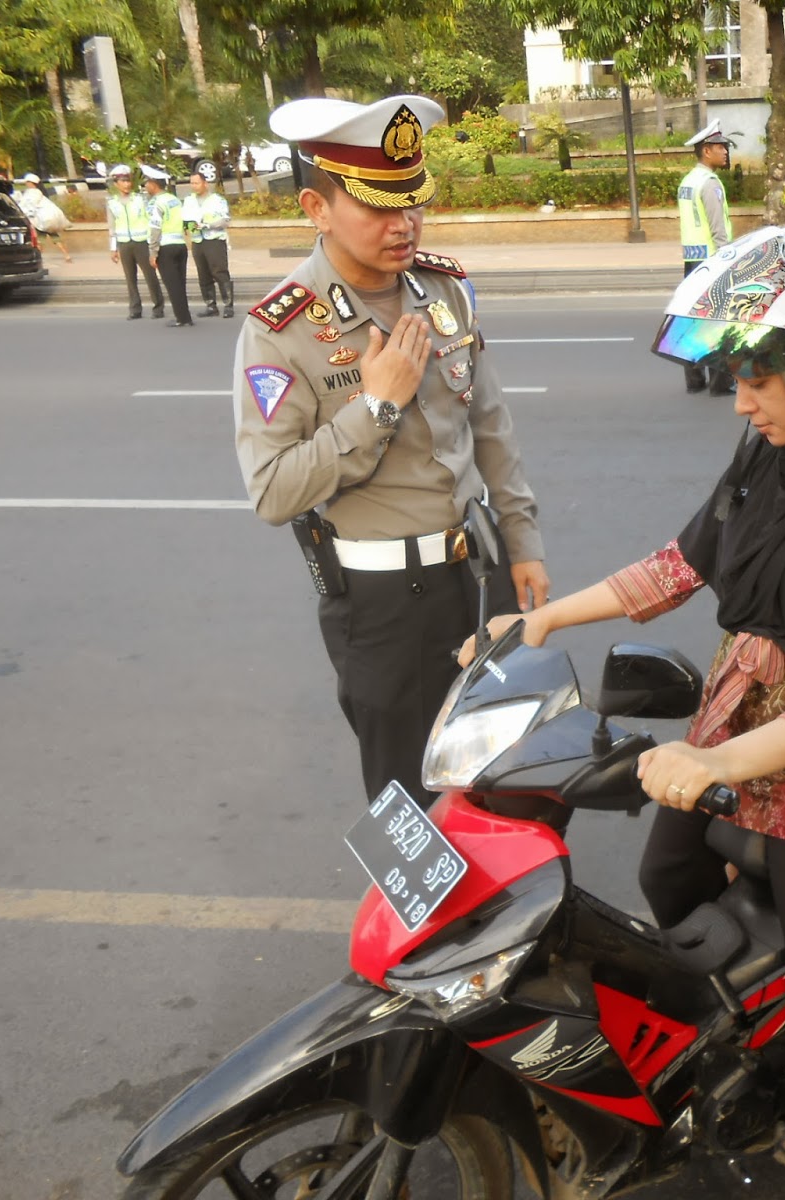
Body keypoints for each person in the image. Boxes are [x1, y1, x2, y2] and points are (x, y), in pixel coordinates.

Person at [461, 223, 785, 1200]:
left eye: (756, 378)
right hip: (749, 706)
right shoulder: (769, 449)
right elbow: (683, 562)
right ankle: (747, 1055)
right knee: (668, 874)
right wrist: (543, 620)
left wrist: (714, 770)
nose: (739, 399)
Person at [233, 93, 548, 810]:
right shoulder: (281, 330)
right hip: (384, 608)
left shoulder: (443, 288)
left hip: (482, 573)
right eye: (377, 206)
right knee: (412, 804)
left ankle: (517, 923)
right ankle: (430, 929)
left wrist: (523, 540)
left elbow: (490, 423)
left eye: (413, 200)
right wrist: (375, 408)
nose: (403, 223)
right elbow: (272, 491)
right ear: (316, 208)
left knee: (512, 780)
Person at [676, 120, 736, 395]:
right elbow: (718, 229)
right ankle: (720, 383)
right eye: (720, 147)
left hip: (692, 260)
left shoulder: (688, 181)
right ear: (707, 150)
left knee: (694, 319)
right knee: (719, 321)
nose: (725, 151)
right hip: (713, 261)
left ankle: (694, 380)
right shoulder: (710, 184)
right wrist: (729, 262)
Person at [105, 165, 164, 320]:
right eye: (123, 181)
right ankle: (135, 308)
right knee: (130, 278)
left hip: (142, 242)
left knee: (150, 276)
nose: (126, 184)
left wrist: (153, 245)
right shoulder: (112, 202)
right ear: (116, 183)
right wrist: (113, 248)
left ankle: (158, 307)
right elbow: (112, 227)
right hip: (124, 243)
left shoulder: (140, 199)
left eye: (128, 181)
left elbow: (151, 220)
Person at [141, 164, 193, 327]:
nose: (145, 186)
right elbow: (185, 221)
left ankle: (182, 319)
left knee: (172, 285)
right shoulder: (174, 199)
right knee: (180, 283)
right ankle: (186, 317)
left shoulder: (155, 203)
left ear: (153, 184)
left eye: (146, 183)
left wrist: (153, 252)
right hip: (180, 245)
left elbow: (155, 228)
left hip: (165, 247)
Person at [183, 170, 235, 317]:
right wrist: (187, 226)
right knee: (203, 274)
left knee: (219, 271)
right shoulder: (188, 200)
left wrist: (207, 225)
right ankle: (210, 305)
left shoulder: (217, 200)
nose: (194, 186)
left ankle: (228, 304)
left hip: (214, 239)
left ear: (205, 183)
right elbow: (185, 218)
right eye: (192, 183)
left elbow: (225, 220)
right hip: (197, 240)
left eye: (197, 183)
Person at [16, 174, 72, 263]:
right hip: (48, 220)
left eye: (27, 182)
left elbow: (28, 206)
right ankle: (67, 255)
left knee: (40, 239)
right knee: (55, 238)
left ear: (30, 183)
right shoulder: (39, 192)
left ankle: (38, 258)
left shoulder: (31, 193)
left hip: (41, 221)